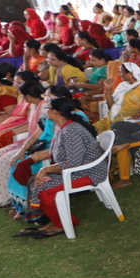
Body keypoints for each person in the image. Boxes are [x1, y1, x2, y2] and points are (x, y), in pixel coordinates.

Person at [11, 98, 105, 239]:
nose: (46, 111)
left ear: (55, 112)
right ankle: (55, 220)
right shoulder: (63, 127)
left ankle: (63, 224)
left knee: (44, 188)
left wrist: (45, 170)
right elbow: (55, 151)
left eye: (48, 108)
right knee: (36, 181)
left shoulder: (71, 131)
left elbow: (73, 163)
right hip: (75, 171)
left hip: (89, 172)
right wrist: (31, 160)